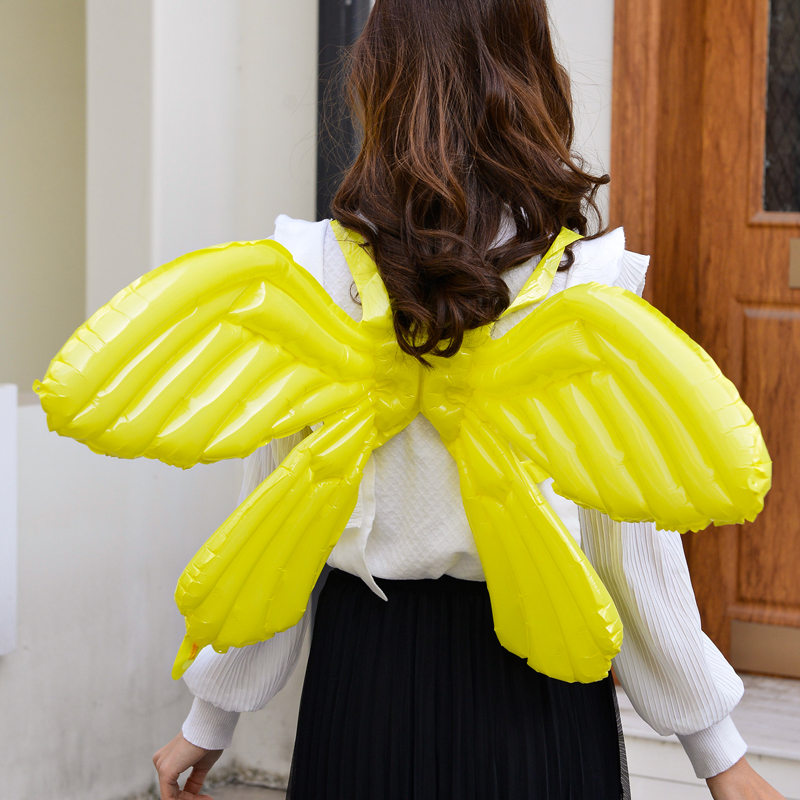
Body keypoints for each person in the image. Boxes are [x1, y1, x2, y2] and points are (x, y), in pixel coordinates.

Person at [151, 1, 786, 798]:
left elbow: (277, 519)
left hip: (365, 685)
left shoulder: (315, 271)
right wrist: (720, 756)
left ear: (379, 73)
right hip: (536, 682)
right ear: (530, 77)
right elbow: (627, 541)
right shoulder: (580, 287)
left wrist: (210, 720)